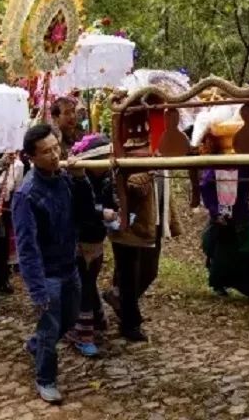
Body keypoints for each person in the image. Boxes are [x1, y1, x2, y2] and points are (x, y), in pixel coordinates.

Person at [12, 124, 95, 404]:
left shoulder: (65, 179)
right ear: (31, 158)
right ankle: (46, 378)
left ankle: (35, 344)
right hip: (47, 274)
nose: (54, 155)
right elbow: (27, 246)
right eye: (46, 152)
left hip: (69, 265)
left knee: (70, 318)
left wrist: (82, 179)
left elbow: (85, 213)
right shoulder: (26, 194)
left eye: (56, 148)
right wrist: (37, 290)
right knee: (50, 327)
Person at [103, 171, 174, 343]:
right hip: (129, 221)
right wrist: (148, 172)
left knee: (149, 271)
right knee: (129, 275)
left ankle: (117, 297)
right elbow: (128, 186)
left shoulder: (159, 150)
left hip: (151, 220)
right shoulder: (126, 149)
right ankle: (130, 323)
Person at [65, 134, 114, 358]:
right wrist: (100, 213)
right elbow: (81, 211)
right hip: (79, 240)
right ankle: (81, 333)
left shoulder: (107, 178)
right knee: (83, 286)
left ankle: (95, 319)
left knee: (89, 282)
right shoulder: (75, 180)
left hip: (96, 239)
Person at [200, 169, 249, 298]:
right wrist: (215, 212)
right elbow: (206, 188)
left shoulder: (245, 167)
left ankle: (246, 285)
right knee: (223, 251)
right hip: (222, 214)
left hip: (242, 213)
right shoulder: (213, 168)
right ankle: (219, 285)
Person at [0, 152, 26, 298]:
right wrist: (1, 164)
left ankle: (1, 279)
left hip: (3, 210)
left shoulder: (15, 162)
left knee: (2, 247)